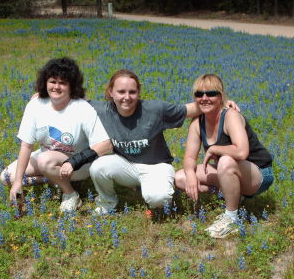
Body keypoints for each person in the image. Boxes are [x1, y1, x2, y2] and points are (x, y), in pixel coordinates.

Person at [88, 69, 239, 215]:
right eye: (121, 92)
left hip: (156, 166)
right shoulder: (103, 110)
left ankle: (151, 191)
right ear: (110, 92)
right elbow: (74, 105)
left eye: (132, 92)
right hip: (125, 165)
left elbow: (189, 109)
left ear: (138, 92)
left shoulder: (154, 109)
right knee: (97, 167)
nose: (126, 97)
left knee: (158, 199)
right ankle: (107, 203)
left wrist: (220, 103)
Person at [0, 57, 112, 212]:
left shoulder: (82, 109)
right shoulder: (36, 105)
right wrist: (18, 182)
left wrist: (75, 162)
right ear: (45, 82)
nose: (56, 87)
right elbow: (26, 145)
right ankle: (53, 179)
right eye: (52, 81)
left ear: (71, 86)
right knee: (8, 177)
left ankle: (71, 194)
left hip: (79, 164)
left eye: (63, 83)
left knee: (45, 160)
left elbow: (105, 144)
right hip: (47, 158)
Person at [175, 73, 274, 238]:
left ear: (220, 96)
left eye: (211, 93)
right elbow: (190, 158)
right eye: (199, 94)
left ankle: (231, 218)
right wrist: (191, 174)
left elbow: (242, 152)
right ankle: (232, 194)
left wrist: (215, 150)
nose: (204, 98)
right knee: (180, 178)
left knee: (226, 161)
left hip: (257, 173)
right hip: (227, 170)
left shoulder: (230, 116)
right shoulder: (197, 124)